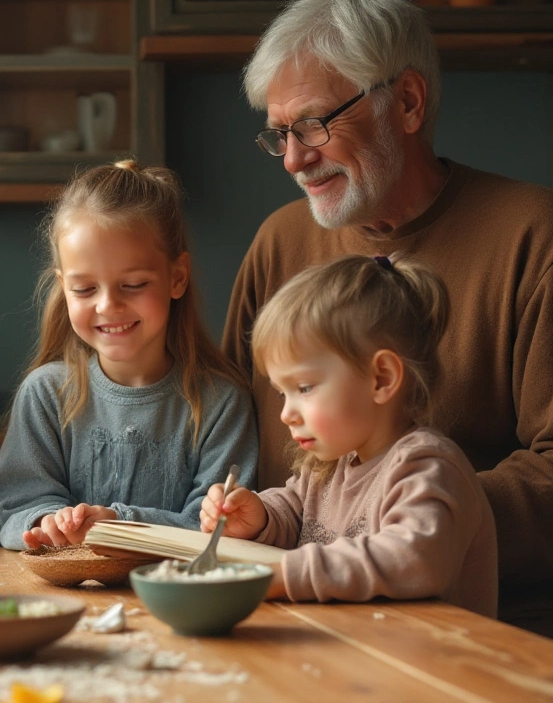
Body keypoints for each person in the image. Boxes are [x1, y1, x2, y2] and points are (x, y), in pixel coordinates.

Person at [223, 0, 553, 652]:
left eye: (314, 125)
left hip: (496, 627)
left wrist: (417, 525)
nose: (294, 159)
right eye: (279, 135)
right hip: (302, 611)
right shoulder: (280, 241)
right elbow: (223, 431)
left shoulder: (537, 236)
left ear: (407, 102)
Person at [203, 255, 497, 617]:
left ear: (382, 378)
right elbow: (296, 512)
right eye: (283, 393)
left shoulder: (428, 467)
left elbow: (413, 559)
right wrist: (261, 517)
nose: (285, 413)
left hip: (422, 667)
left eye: (305, 387)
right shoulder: (328, 464)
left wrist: (286, 575)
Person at [0, 160, 260, 550]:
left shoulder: (222, 402)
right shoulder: (45, 394)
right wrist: (51, 524)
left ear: (177, 277)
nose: (108, 305)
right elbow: (16, 511)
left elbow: (220, 529)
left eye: (132, 284)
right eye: (84, 290)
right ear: (63, 287)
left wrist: (118, 525)